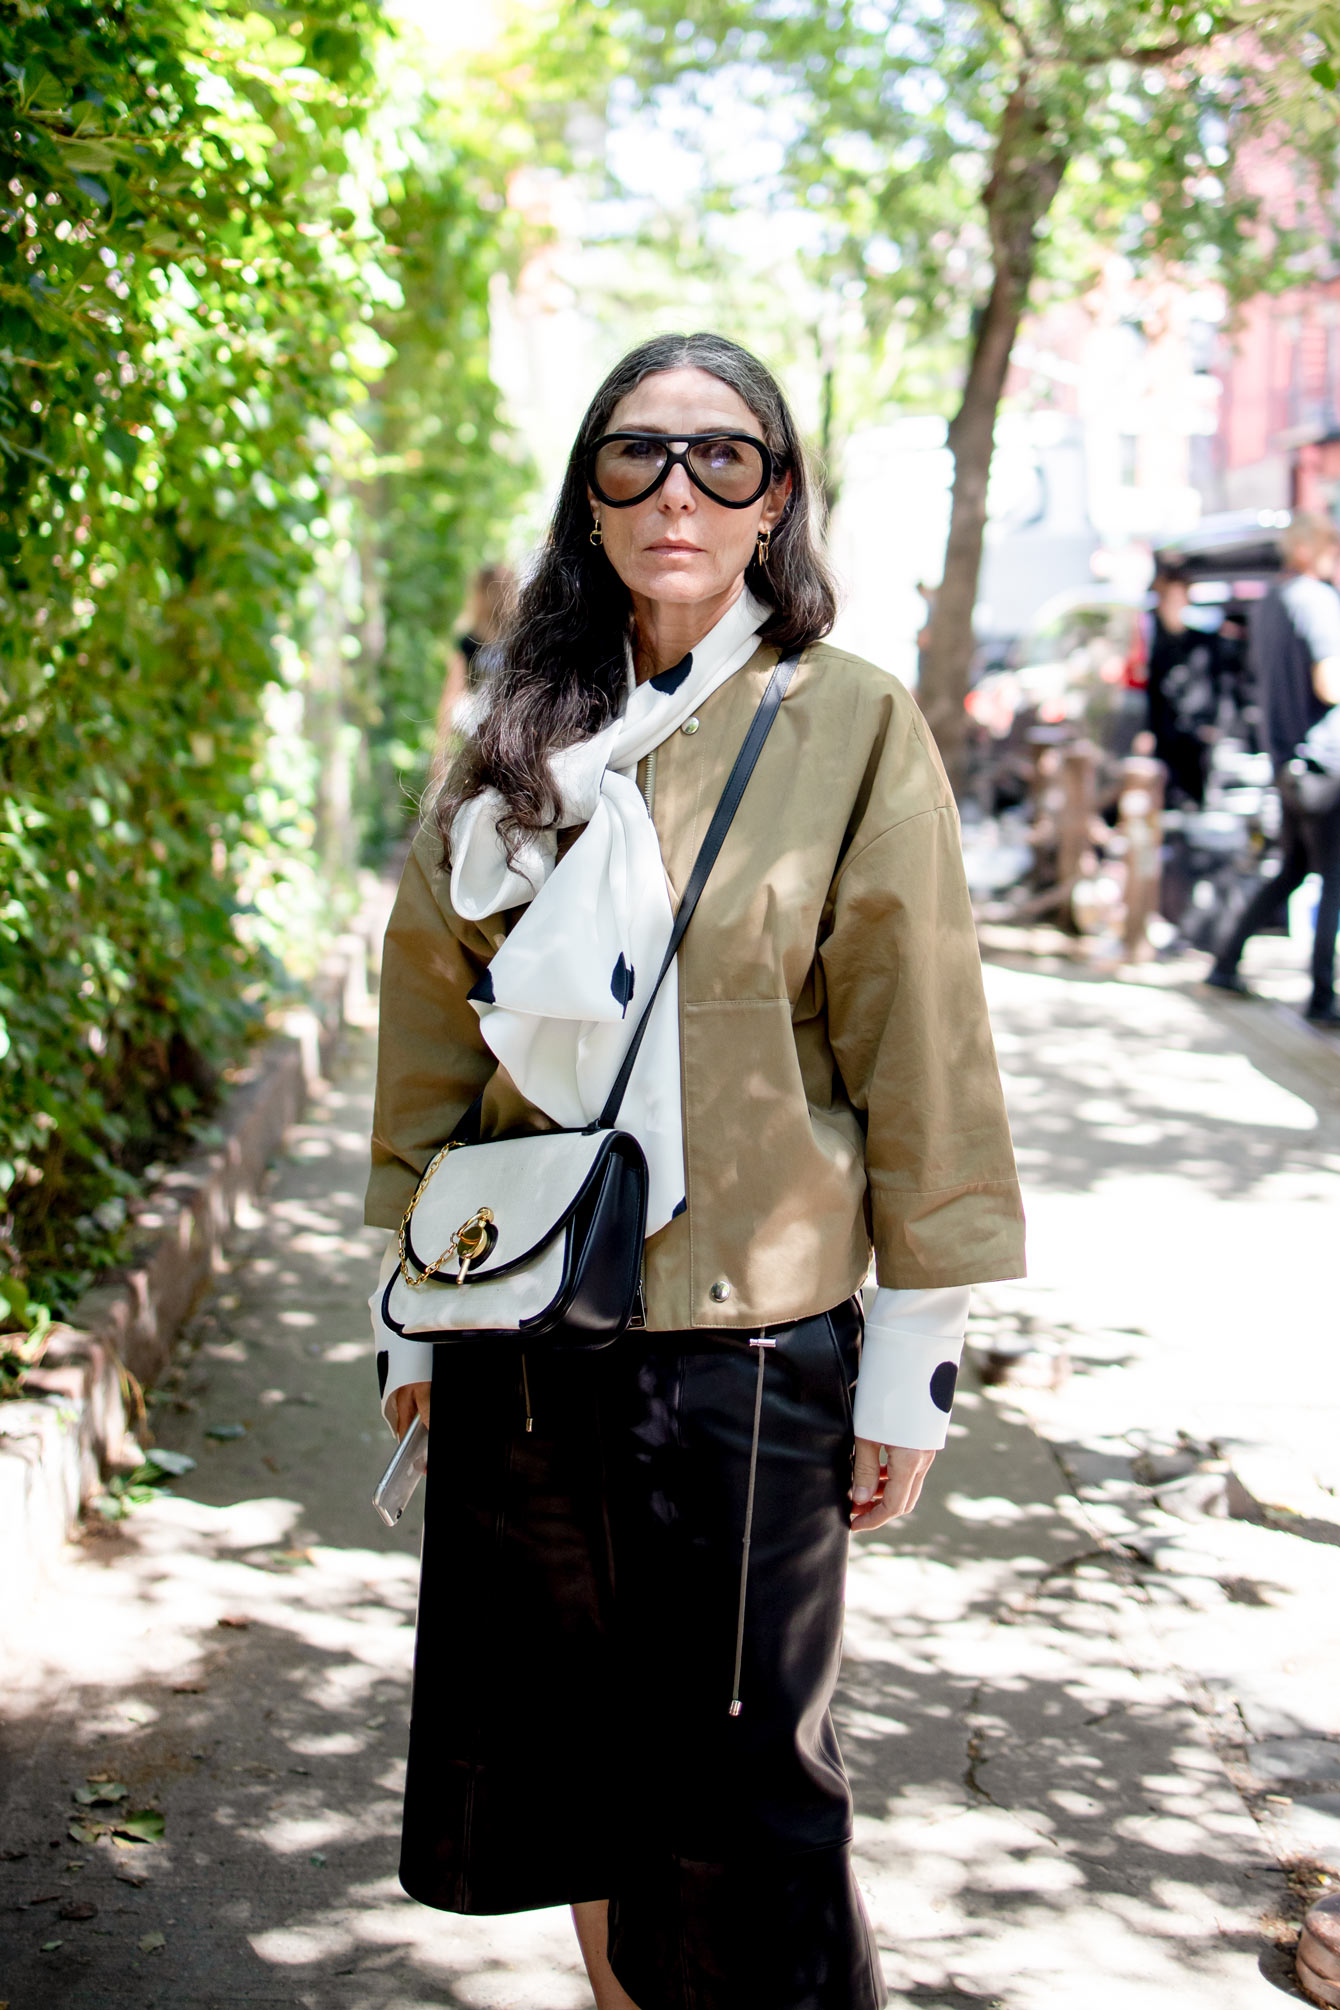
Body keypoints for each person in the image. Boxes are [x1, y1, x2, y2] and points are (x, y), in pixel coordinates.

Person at [365, 332, 1025, 2009]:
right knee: (573, 1785)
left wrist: (910, 1373)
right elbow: (433, 1042)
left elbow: (920, 1047)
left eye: (723, 459)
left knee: (749, 1804)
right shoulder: (517, 735)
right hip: (521, 1339)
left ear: (775, 499)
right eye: (640, 455)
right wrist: (409, 1326)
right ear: (591, 493)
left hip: (751, 1341)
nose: (680, 490)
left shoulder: (848, 723)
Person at [1207, 511, 1340, 1026]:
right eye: (1331, 545)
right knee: (1331, 877)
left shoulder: (1268, 605)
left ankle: (1225, 959)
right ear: (1309, 549)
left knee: (1292, 870)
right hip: (1326, 761)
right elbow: (1330, 683)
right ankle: (1323, 997)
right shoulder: (1318, 601)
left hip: (1287, 761)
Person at [1145, 563, 1223, 806]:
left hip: (1197, 735)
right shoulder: (1152, 642)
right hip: (1165, 736)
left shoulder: (1203, 642)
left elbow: (1220, 686)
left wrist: (1215, 724)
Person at [431, 562, 514, 776]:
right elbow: (452, 695)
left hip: (511, 724)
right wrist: (441, 751)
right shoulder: (469, 642)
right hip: (478, 729)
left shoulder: (521, 639)